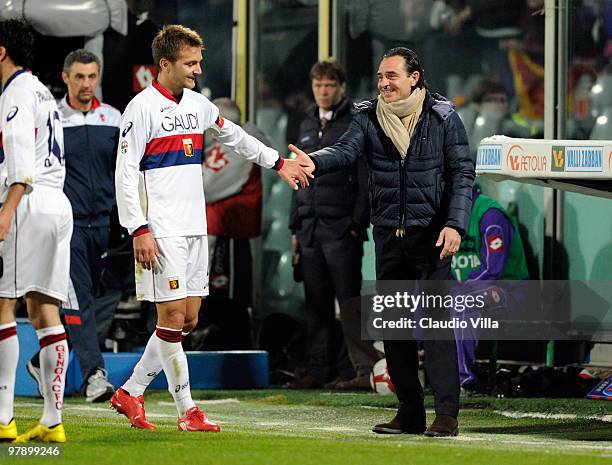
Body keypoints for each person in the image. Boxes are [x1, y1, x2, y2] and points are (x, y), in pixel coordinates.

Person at [110, 24, 309, 432]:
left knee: (186, 320)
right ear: (164, 64)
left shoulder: (199, 106)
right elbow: (125, 174)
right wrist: (138, 228)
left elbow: (235, 137)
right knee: (170, 318)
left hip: (194, 227)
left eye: (199, 62)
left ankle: (130, 390)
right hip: (160, 229)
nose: (198, 70)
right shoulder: (141, 109)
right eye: (190, 63)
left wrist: (278, 162)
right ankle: (186, 411)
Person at [291, 47, 474, 436]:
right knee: (395, 328)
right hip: (390, 235)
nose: (384, 83)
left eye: (392, 76)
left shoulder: (443, 116)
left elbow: (462, 174)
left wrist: (455, 225)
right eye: (380, 77)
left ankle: (446, 413)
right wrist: (316, 161)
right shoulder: (368, 115)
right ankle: (410, 411)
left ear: (415, 78)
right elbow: (346, 150)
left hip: (433, 235)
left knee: (438, 326)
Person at [26, 49, 119, 403]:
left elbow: (123, 172)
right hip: (66, 225)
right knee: (78, 299)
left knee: (85, 299)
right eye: (79, 76)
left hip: (103, 226)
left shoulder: (113, 118)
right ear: (65, 77)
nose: (86, 83)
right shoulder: (52, 119)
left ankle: (39, 363)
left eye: (92, 76)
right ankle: (95, 375)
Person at [0, 19, 72, 443]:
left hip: (27, 202)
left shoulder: (15, 94)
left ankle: (4, 415)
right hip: (57, 205)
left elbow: (21, 160)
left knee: (2, 305)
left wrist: (8, 209)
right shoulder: (43, 91)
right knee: (45, 312)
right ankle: (52, 419)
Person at [287, 59, 371, 389]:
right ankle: (320, 368)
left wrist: (356, 223)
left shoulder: (356, 120)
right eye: (318, 85)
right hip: (309, 227)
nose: (323, 91)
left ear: (342, 87)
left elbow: (365, 176)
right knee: (316, 302)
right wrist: (296, 223)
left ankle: (354, 369)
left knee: (348, 301)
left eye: (330, 85)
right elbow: (296, 172)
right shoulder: (305, 121)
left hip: (341, 227)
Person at [452, 187, 529, 392]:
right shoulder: (448, 216)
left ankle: (462, 381)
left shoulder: (490, 214)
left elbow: (492, 269)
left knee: (462, 301)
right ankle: (425, 368)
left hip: (510, 292)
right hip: (468, 289)